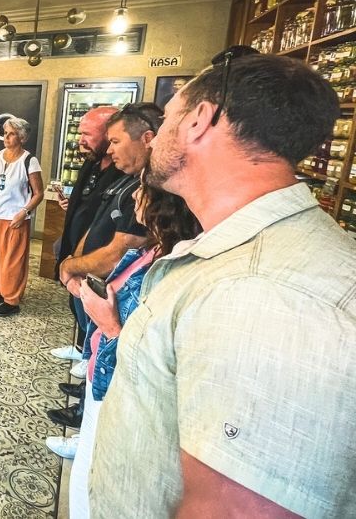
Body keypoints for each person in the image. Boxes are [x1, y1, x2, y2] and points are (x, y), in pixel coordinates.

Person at [91, 53, 355, 518]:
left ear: (199, 121)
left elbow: (235, 509)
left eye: (169, 117)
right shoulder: (239, 252)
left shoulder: (265, 293)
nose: (154, 140)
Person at [59, 167, 200, 518]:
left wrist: (107, 323)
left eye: (142, 191)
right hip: (103, 376)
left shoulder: (170, 268)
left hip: (119, 387)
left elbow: (141, 340)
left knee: (94, 476)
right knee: (88, 464)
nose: (135, 197)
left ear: (164, 206)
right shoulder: (152, 252)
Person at [50, 102, 159, 431]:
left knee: (105, 348)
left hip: (109, 283)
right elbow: (95, 222)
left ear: (147, 139)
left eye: (113, 141)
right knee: (91, 334)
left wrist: (73, 264)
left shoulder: (140, 186)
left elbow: (122, 246)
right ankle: (85, 372)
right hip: (89, 274)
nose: (81, 139)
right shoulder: (109, 171)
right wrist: (71, 261)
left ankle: (86, 414)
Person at [49, 106, 120, 373]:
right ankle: (80, 348)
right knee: (76, 303)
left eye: (88, 135)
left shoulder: (122, 170)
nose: (81, 141)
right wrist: (72, 203)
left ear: (108, 134)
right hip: (74, 245)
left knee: (92, 304)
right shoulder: (91, 162)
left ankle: (90, 357)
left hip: (96, 254)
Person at [0, 116, 44, 316]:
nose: (6, 137)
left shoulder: (29, 161)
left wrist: (23, 212)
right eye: (5, 133)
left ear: (22, 137)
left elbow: (38, 193)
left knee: (11, 260)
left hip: (14, 219)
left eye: (12, 134)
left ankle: (12, 299)